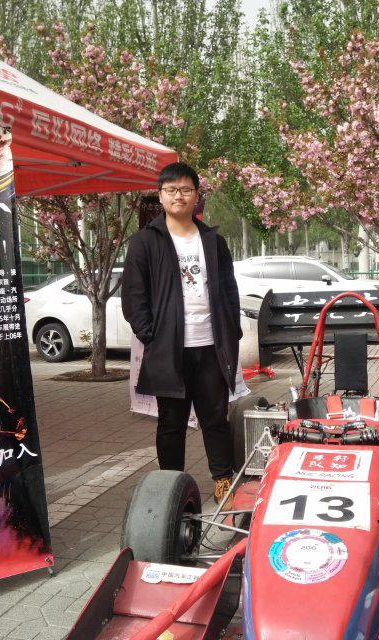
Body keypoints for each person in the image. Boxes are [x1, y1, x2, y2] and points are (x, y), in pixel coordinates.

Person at [122, 162, 241, 503]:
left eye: (186, 189)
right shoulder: (145, 242)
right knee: (171, 424)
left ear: (196, 195)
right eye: (172, 190)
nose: (179, 196)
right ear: (160, 196)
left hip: (211, 346)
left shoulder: (213, 241)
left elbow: (229, 291)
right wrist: (153, 336)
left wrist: (230, 331)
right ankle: (170, 488)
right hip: (169, 350)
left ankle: (223, 479)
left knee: (215, 418)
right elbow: (133, 297)